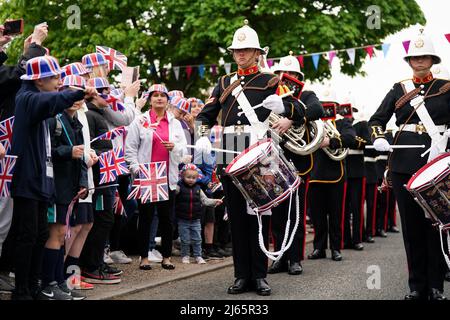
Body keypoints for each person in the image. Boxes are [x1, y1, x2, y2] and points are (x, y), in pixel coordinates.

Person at [195, 20, 303, 296]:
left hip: (259, 147)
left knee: (258, 214)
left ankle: (260, 274)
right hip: (230, 147)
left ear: (257, 52)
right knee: (236, 218)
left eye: (247, 50)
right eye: (237, 51)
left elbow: (301, 105)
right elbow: (204, 115)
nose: (241, 55)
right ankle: (241, 275)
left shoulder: (270, 80)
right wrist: (202, 136)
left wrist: (285, 108)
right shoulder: (223, 82)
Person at [369, 29, 449, 300]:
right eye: (414, 57)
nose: (419, 61)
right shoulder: (399, 89)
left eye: (424, 56)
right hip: (404, 165)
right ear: (409, 60)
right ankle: (416, 286)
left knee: (436, 227)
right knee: (412, 229)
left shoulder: (446, 88)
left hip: (436, 165)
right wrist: (379, 137)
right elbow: (376, 120)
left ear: (432, 59)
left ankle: (436, 285)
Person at [9, 56, 96, 300]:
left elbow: (53, 101)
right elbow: (55, 99)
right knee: (27, 237)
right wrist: (77, 93)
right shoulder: (26, 98)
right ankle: (22, 290)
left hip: (41, 179)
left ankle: (37, 286)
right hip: (27, 179)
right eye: (55, 77)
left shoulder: (38, 101)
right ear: (38, 81)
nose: (59, 82)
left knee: (38, 235)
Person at [268, 51, 324, 275]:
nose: (287, 76)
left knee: (296, 212)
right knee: (277, 213)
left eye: (292, 73)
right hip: (273, 159)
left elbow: (318, 111)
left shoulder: (307, 94)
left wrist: (290, 119)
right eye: (283, 73)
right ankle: (280, 257)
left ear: (298, 76)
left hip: (299, 160)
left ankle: (295, 258)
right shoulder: (271, 93)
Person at [125, 84, 187, 271]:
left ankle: (166, 257)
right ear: (150, 99)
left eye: (163, 96)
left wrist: (174, 148)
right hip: (147, 176)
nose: (159, 98)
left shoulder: (175, 123)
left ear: (168, 100)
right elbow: (131, 148)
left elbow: (184, 150)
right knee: (145, 217)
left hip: (168, 177)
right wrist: (136, 169)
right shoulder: (140, 120)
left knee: (167, 219)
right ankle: (144, 257)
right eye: (155, 96)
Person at [40, 75, 89, 300]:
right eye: (70, 92)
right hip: (55, 186)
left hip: (70, 187)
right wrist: (67, 152)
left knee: (63, 235)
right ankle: (48, 282)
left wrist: (83, 183)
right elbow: (47, 150)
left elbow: (81, 156)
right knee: (57, 233)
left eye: (78, 94)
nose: (75, 99)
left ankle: (59, 281)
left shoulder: (76, 122)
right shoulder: (54, 118)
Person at [307, 89, 356, 262]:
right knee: (317, 217)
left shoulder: (342, 123)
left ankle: (336, 248)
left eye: (332, 105)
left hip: (336, 174)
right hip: (314, 174)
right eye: (324, 105)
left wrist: (330, 141)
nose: (328, 108)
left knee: (336, 215)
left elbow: (350, 138)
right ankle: (319, 248)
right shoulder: (312, 123)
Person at [175, 164, 223, 264]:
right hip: (183, 219)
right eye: (188, 177)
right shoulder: (179, 188)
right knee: (185, 239)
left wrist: (215, 201)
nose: (191, 180)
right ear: (183, 176)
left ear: (197, 178)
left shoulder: (198, 189)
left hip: (196, 219)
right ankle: (185, 255)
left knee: (197, 239)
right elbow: (172, 193)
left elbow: (205, 201)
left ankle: (198, 256)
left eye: (194, 178)